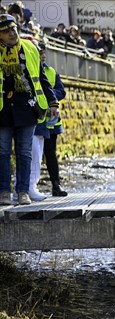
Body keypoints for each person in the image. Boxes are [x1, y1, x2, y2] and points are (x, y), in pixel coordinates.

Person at [0, 14, 59, 205]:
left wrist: (53, 103)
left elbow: (42, 79)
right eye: (6, 31)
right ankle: (3, 192)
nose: (12, 34)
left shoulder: (30, 48)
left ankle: (23, 191)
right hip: (3, 110)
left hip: (27, 108)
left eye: (14, 29)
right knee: (3, 152)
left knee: (24, 152)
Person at [29, 41, 67, 201]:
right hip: (38, 119)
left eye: (44, 57)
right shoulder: (31, 71)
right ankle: (30, 186)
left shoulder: (51, 71)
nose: (43, 59)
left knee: (50, 154)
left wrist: (50, 97)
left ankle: (55, 185)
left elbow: (61, 91)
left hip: (51, 121)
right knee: (34, 153)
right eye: (41, 57)